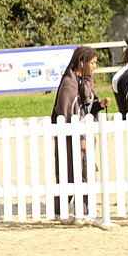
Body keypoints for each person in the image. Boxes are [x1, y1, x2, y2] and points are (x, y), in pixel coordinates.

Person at [51, 46, 114, 227]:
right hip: (69, 137)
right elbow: (68, 114)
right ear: (82, 62)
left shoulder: (85, 81)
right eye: (92, 63)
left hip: (84, 132)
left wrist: (100, 105)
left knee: (85, 171)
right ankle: (61, 211)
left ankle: (85, 210)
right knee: (70, 172)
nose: (94, 66)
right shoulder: (69, 84)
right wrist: (80, 139)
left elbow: (86, 108)